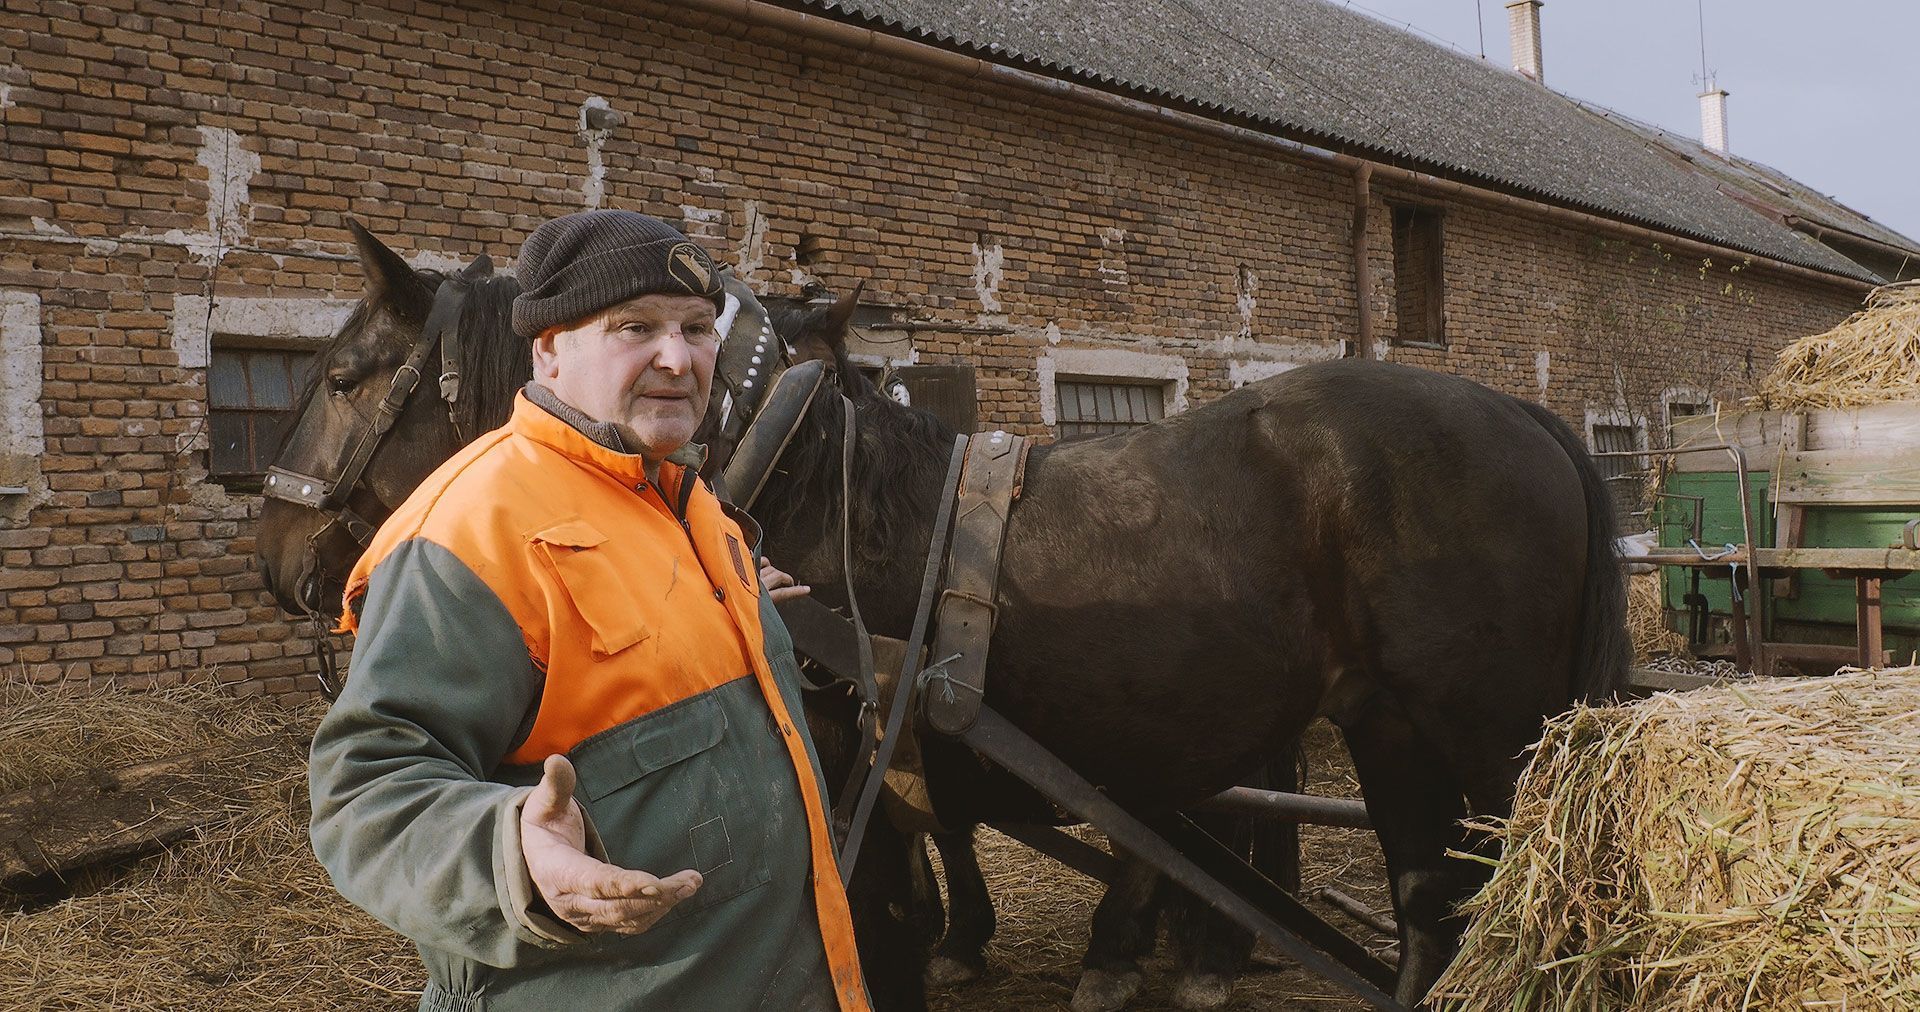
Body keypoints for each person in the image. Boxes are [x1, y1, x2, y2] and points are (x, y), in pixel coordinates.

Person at [308, 210, 868, 1011]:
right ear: (548, 349)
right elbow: (367, 793)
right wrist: (515, 856)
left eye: (698, 328)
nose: (677, 358)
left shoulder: (687, 498)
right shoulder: (472, 535)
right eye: (634, 327)